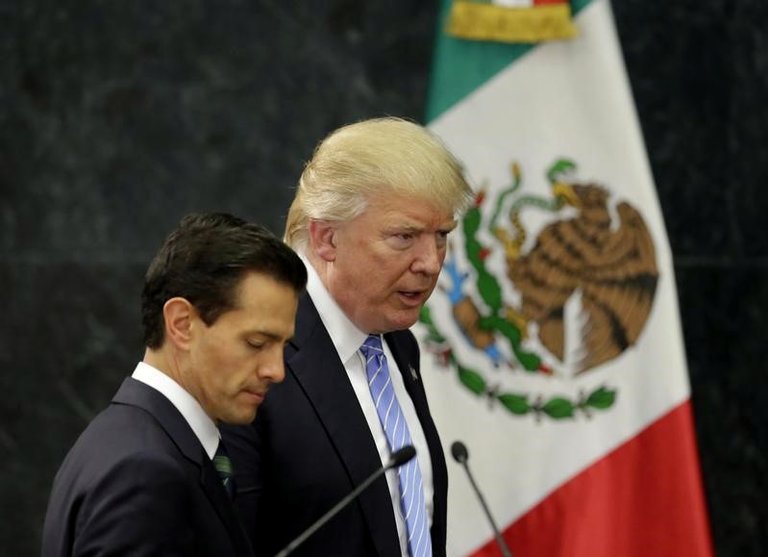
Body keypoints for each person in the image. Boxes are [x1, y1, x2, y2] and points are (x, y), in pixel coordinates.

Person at [221, 117, 473, 557]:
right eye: (405, 236)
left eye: (441, 236)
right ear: (327, 238)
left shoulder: (396, 341)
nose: (432, 263)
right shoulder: (252, 357)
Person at [41, 212, 307, 557]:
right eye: (256, 343)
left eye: (283, 346)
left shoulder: (128, 439)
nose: (277, 371)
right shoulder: (143, 472)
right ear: (182, 324)